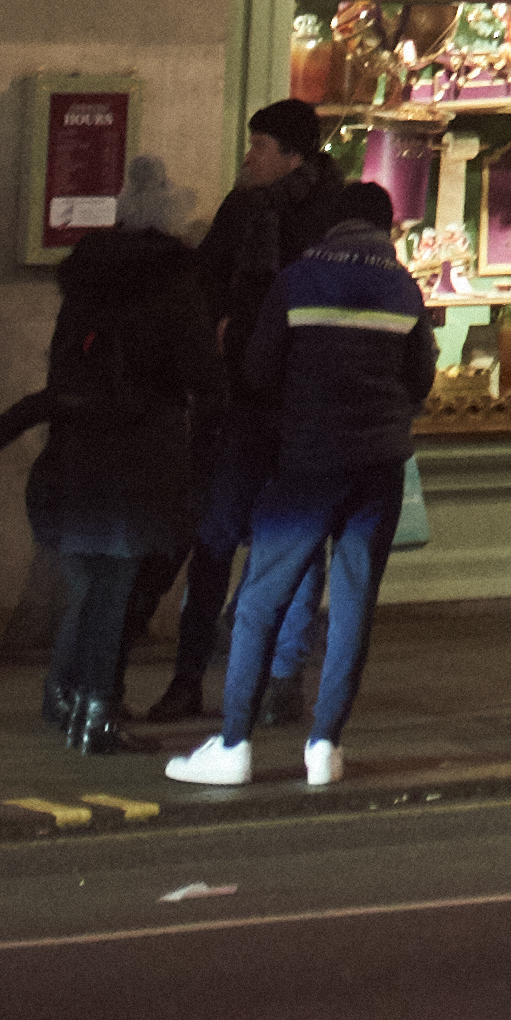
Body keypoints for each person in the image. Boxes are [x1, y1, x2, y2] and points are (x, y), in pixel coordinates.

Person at [170, 163, 434, 791]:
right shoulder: (403, 290)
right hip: (377, 470)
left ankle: (234, 744)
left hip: (307, 464)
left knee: (262, 600)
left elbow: (260, 372)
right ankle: (325, 745)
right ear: (385, 230)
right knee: (351, 609)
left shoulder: (299, 279)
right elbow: (420, 378)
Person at [0, 165, 206, 745]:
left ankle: (65, 697)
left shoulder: (86, 278)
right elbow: (198, 370)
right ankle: (94, 712)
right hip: (135, 457)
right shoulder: (175, 280)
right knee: (112, 591)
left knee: (90, 588)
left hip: (72, 455)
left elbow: (60, 373)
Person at [140, 100, 335, 724]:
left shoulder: (326, 212)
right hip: (237, 402)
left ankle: (283, 679)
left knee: (297, 546)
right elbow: (206, 278)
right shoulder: (241, 206)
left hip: (300, 405)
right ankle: (187, 678)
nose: (248, 158)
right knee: (215, 537)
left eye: (260, 147)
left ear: (292, 156)